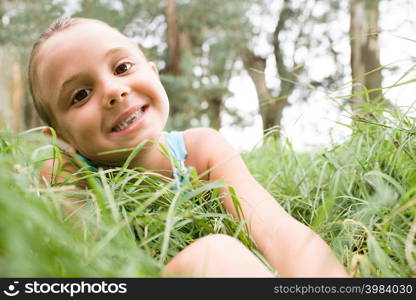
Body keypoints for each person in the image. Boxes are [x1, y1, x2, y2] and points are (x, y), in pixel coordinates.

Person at [28, 17, 348, 278]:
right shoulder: (67, 176)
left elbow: (275, 229)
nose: (114, 90)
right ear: (60, 139)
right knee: (215, 256)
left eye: (122, 68)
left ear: (154, 74)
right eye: (80, 95)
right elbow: (92, 270)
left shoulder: (200, 150)